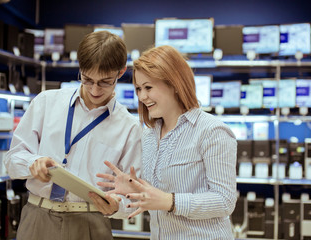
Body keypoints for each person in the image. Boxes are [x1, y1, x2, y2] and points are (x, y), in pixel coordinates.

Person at [4, 31, 142, 240]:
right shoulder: (46, 102)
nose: (95, 90)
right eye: (87, 79)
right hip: (37, 218)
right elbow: (11, 161)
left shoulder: (130, 127)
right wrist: (33, 163)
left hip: (90, 224)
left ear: (121, 72)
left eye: (105, 82)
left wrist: (117, 205)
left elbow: (133, 196)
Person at [89, 45, 237, 239]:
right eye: (139, 89)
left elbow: (225, 201)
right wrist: (131, 195)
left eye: (148, 87)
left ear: (174, 84)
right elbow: (151, 198)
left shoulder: (212, 131)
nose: (142, 96)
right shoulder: (149, 135)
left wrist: (170, 201)